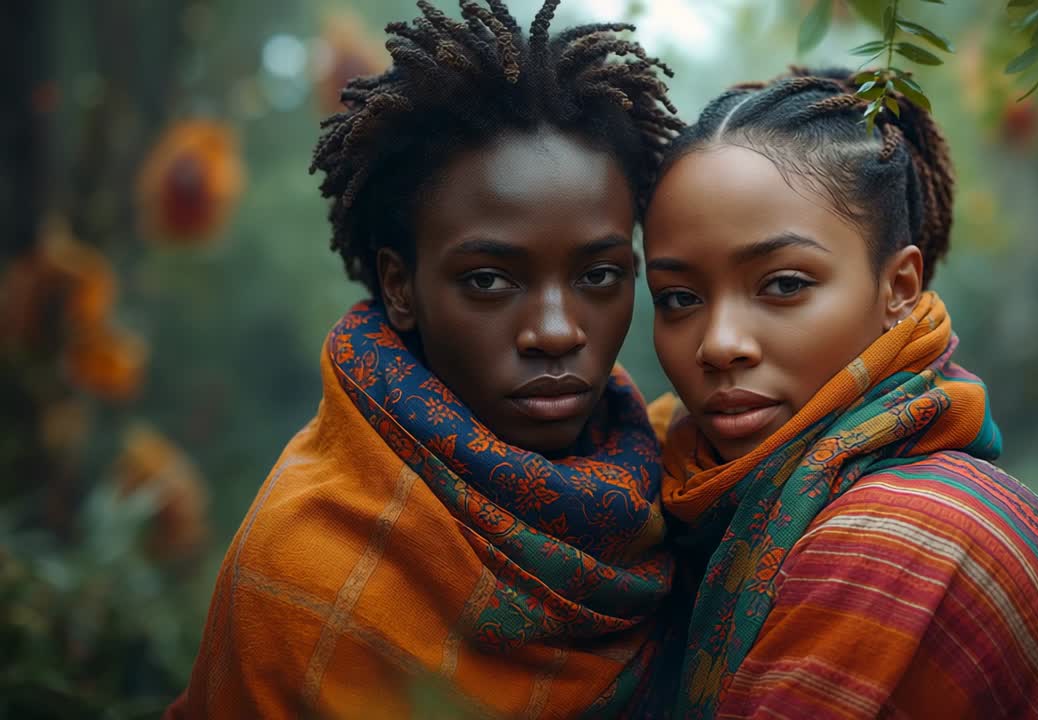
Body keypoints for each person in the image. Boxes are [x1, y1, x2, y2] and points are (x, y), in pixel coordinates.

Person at [166, 2, 684, 717]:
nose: (558, 332)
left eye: (597, 276)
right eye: (489, 280)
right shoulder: (302, 567)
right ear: (401, 287)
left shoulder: (687, 484)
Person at [642, 68, 1038, 719]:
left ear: (898, 287)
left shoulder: (923, 536)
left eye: (782, 285)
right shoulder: (640, 497)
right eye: (680, 298)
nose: (719, 344)